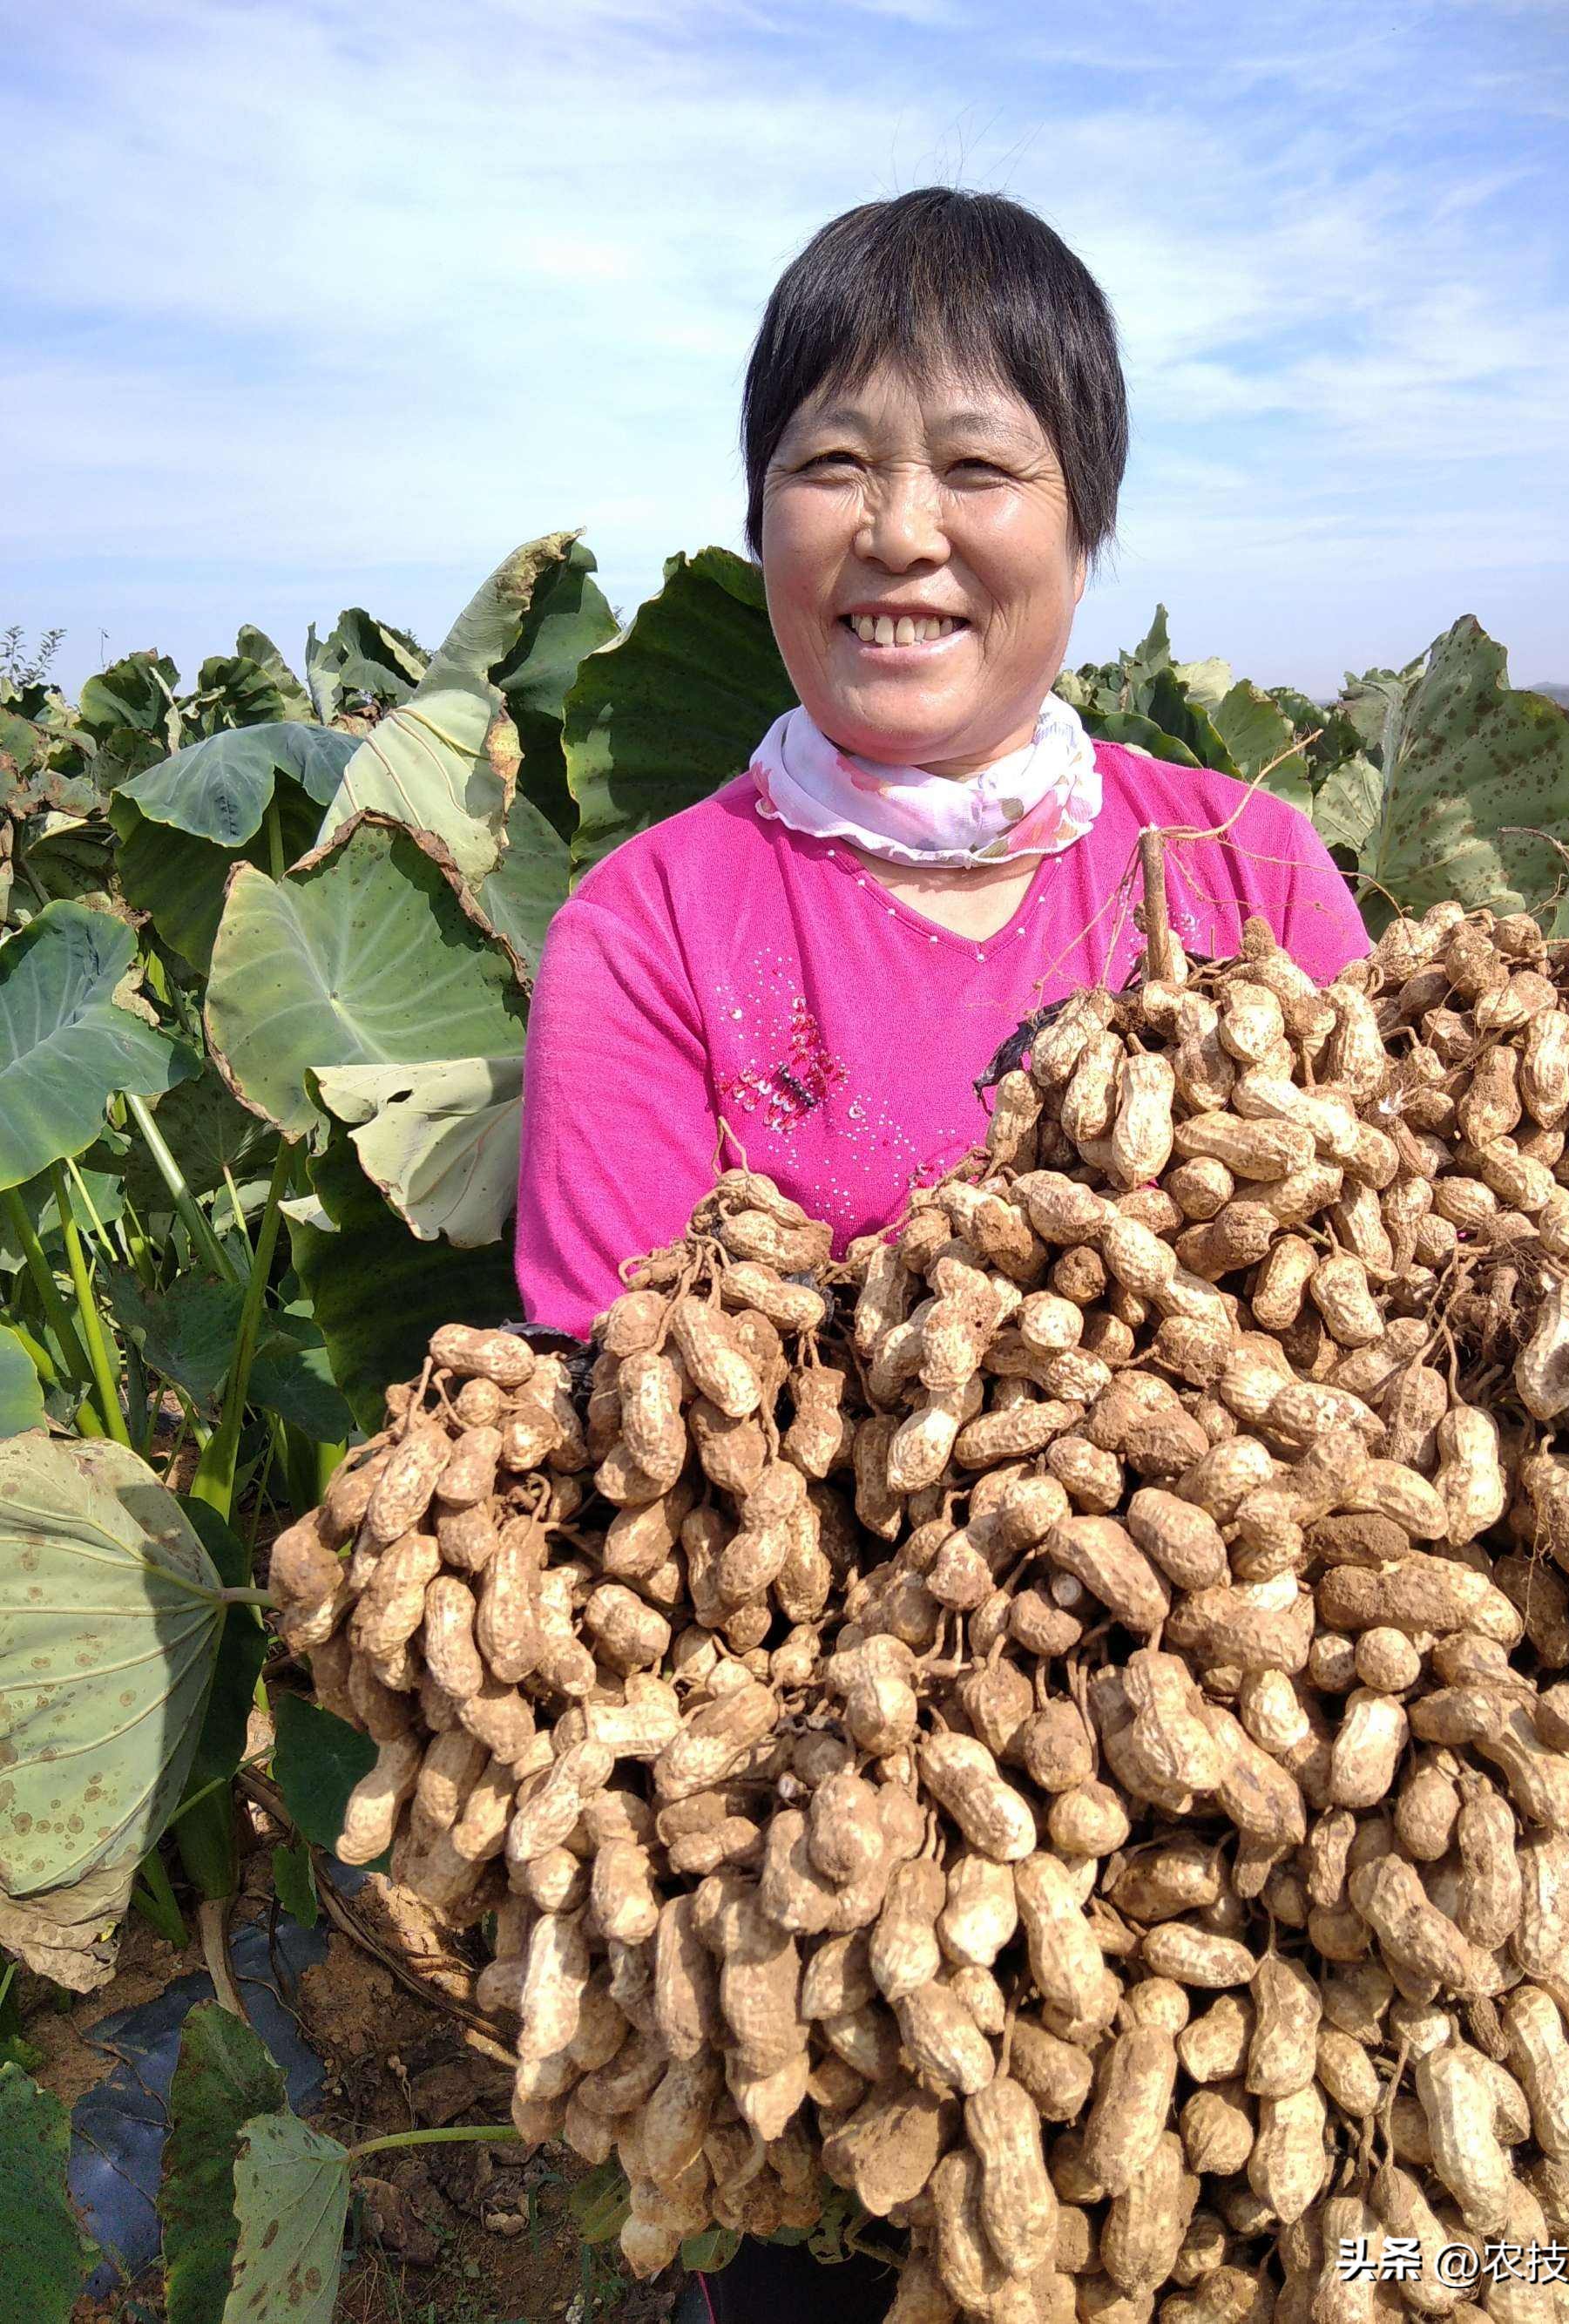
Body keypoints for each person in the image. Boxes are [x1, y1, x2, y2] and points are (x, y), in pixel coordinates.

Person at [513, 186, 1369, 2319]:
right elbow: (645, 1472)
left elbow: (1382, 1318)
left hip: (1284, 1881)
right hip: (860, 1899)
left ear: (1083, 525)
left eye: (978, 465)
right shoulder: (652, 927)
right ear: (758, 518)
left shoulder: (1243, 869)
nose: (901, 528)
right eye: (831, 461)